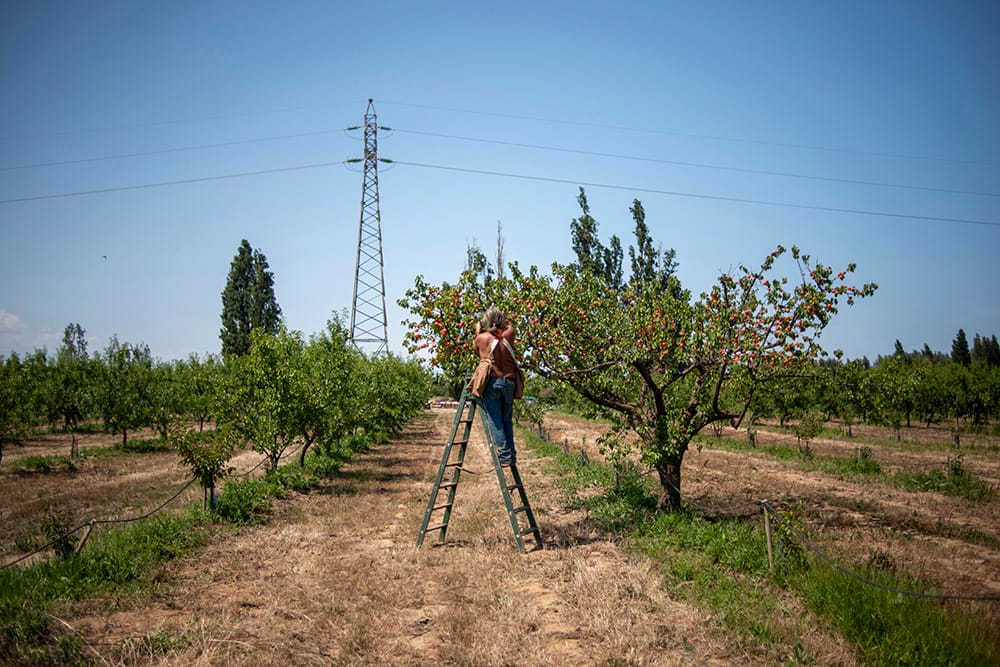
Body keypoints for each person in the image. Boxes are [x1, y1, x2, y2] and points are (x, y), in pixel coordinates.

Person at [474, 306, 518, 465]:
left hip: (493, 383)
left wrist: (478, 332)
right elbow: (509, 325)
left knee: (495, 419)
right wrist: (502, 320)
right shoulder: (509, 334)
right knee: (507, 419)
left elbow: (477, 352)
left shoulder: (481, 338)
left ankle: (505, 455)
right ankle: (511, 454)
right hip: (509, 383)